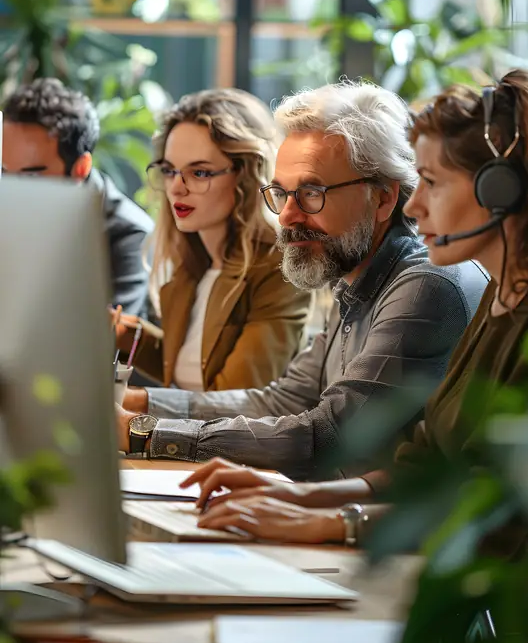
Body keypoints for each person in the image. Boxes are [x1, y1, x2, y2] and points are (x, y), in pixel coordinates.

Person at [182, 70, 528, 545]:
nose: (414, 205)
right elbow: (425, 465)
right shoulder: (501, 297)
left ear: (498, 192)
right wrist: (303, 499)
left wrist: (334, 523)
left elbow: (501, 506)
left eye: (432, 183)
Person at [117, 80, 489, 475]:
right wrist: (136, 406)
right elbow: (282, 400)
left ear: (383, 197)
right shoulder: (353, 277)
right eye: (281, 194)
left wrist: (148, 432)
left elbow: (327, 435)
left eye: (312, 193)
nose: (288, 216)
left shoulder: (425, 287)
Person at [113, 88, 311, 393]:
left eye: (200, 172)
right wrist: (123, 332)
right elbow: (189, 361)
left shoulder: (278, 267)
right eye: (169, 171)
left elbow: (235, 400)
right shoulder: (193, 261)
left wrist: (135, 407)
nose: (176, 188)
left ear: (245, 176)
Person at [2, 77, 154, 316]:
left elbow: (113, 343)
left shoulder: (130, 236)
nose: (11, 189)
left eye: (30, 176)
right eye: (3, 171)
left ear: (81, 168)